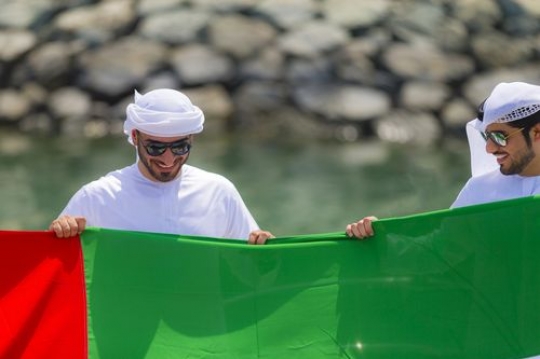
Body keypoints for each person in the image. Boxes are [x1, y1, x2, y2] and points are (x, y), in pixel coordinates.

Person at [49, 88, 273, 245]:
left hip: (201, 313)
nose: (168, 160)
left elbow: (252, 274)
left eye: (180, 147)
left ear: (191, 139)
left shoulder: (218, 191)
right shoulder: (97, 197)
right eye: (155, 148)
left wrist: (268, 256)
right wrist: (60, 232)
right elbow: (50, 272)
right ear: (135, 137)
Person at [346, 81, 540, 239]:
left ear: (537, 132)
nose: (489, 148)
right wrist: (378, 238)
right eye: (486, 137)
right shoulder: (480, 190)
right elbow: (438, 253)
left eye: (499, 137)